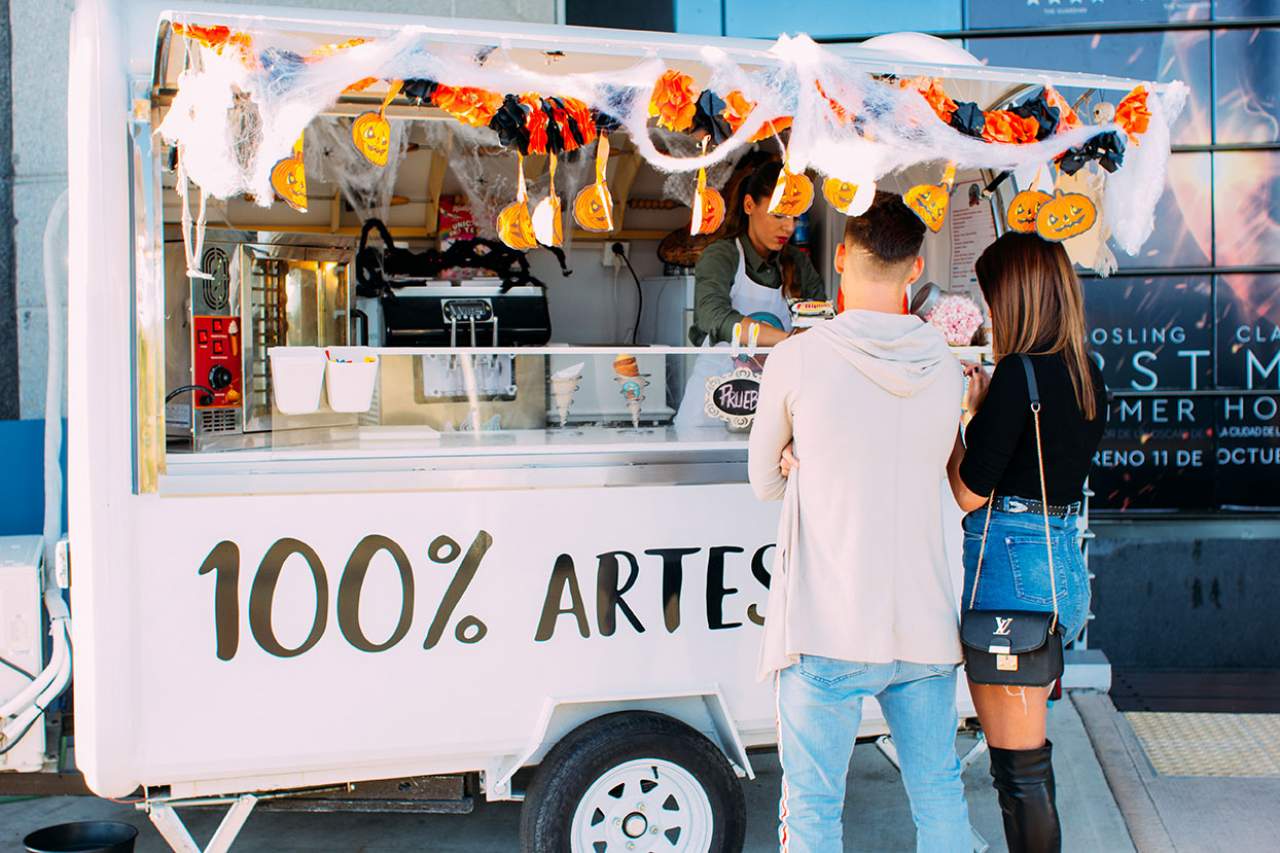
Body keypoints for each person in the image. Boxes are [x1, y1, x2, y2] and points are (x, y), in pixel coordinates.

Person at [749, 191, 971, 852]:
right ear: (915, 267)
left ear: (840, 256)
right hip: (925, 625)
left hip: (827, 626)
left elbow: (762, 480)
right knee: (938, 794)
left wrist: (797, 460)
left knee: (814, 809)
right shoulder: (947, 369)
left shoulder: (797, 358)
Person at [947, 232, 1107, 853]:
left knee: (1021, 772)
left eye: (991, 298)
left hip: (1013, 575)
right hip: (1061, 571)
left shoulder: (1019, 374)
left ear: (1014, 298)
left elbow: (969, 492)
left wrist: (953, 425)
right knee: (1022, 764)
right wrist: (986, 413)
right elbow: (1035, 459)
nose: (988, 311)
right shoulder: (1084, 373)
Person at [674, 159, 826, 429]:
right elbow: (714, 317)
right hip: (710, 409)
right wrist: (788, 339)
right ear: (749, 206)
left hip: (770, 412)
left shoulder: (798, 264)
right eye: (779, 215)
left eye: (794, 217)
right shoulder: (722, 256)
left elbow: (820, 327)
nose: (789, 227)